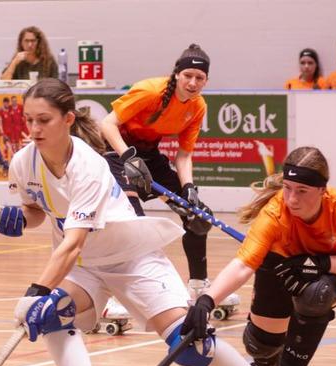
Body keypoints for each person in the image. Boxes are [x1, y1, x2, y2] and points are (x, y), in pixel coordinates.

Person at [0, 79, 292, 366]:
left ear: (68, 119)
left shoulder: (90, 166)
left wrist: (35, 291)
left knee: (189, 346)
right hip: (86, 266)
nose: (34, 129)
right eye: (29, 120)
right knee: (53, 314)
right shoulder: (23, 162)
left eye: (44, 120)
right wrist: (20, 219)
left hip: (131, 257)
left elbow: (72, 242)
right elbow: (39, 209)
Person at [183, 147, 336, 366]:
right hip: (280, 266)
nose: (291, 199)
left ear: (322, 190)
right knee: (261, 345)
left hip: (332, 272)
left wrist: (319, 263)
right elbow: (243, 265)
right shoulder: (274, 213)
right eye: (287, 188)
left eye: (302, 191)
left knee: (315, 296)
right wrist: (207, 301)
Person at [100, 44, 236, 308]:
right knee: (132, 222)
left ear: (206, 81)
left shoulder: (197, 107)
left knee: (196, 216)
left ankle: (198, 286)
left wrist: (189, 189)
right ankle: (116, 297)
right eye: (188, 75)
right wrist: (128, 158)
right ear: (176, 74)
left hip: (149, 156)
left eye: (200, 78)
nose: (193, 82)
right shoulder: (151, 91)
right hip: (117, 153)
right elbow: (107, 124)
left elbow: (183, 156)